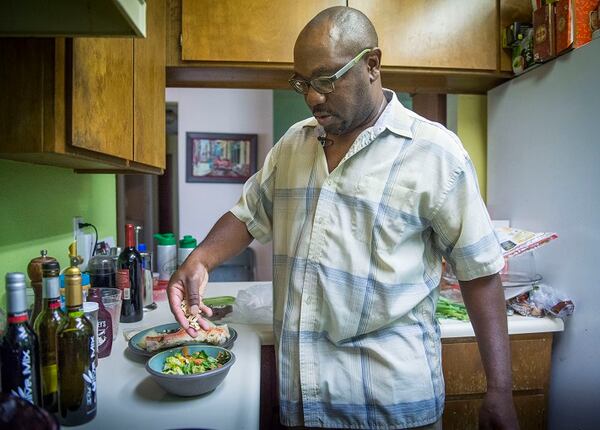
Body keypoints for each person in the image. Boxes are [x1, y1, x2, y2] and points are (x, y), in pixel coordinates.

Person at [168, 6, 519, 430]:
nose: (313, 96)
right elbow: (249, 213)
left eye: (326, 79)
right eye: (302, 82)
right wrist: (200, 260)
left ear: (372, 64)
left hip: (391, 410)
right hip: (301, 405)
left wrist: (500, 390)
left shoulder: (435, 154)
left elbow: (479, 273)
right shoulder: (293, 146)